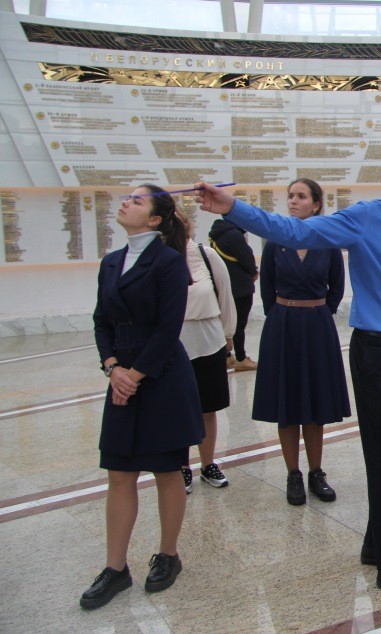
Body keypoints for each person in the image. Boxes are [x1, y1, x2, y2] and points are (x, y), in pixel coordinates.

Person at [196, 137, 381, 601]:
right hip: (375, 351)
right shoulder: (366, 218)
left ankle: (376, 543)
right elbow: (294, 232)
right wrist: (233, 207)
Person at [81, 185, 204, 610]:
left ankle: (168, 554)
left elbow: (169, 328)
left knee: (167, 471)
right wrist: (112, 367)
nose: (125, 202)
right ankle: (115, 568)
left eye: (137, 200)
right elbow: (101, 320)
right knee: (119, 473)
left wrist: (134, 375)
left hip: (161, 376)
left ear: (154, 219)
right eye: (127, 198)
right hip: (122, 377)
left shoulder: (168, 262)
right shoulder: (111, 262)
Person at [252, 178, 349, 506]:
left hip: (317, 326)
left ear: (316, 204)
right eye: (291, 196)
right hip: (283, 327)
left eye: (301, 196)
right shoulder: (275, 243)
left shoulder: (328, 242)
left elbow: (336, 288)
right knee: (287, 403)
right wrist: (285, 315)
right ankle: (293, 473)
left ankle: (316, 472)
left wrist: (318, 311)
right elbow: (267, 291)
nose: (293, 201)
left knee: (315, 404)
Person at [177, 209, 236, 492]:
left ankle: (208, 463)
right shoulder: (159, 260)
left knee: (208, 407)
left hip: (209, 340)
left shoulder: (206, 255)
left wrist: (228, 335)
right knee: (178, 407)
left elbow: (225, 297)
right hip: (175, 343)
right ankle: (181, 466)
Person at [208, 217, 258, 371]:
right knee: (239, 324)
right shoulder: (234, 234)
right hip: (240, 287)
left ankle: (227, 356)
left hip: (224, 286)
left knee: (225, 322)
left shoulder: (216, 235)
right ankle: (241, 359)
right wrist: (253, 272)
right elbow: (247, 258)